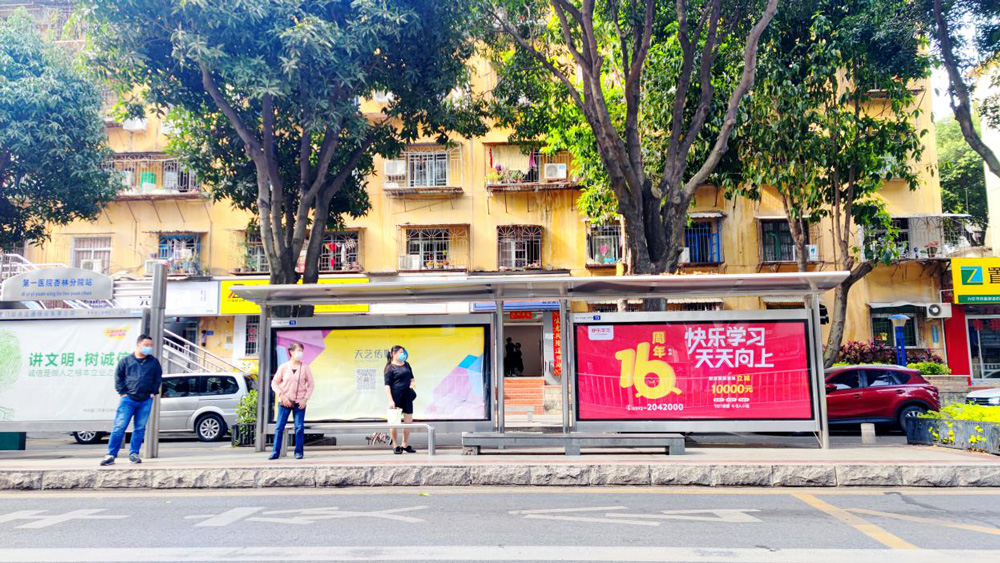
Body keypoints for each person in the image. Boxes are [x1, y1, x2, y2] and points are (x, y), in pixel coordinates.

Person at [100, 334, 162, 466]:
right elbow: (119, 377)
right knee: (119, 427)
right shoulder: (126, 361)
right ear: (138, 345)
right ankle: (111, 454)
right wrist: (122, 392)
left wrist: (153, 392)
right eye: (146, 345)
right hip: (128, 400)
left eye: (150, 345)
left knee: (140, 428)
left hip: (145, 400)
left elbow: (158, 378)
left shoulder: (153, 362)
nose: (149, 347)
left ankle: (134, 454)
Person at [269, 342, 314, 460]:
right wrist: (281, 395)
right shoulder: (283, 367)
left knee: (299, 428)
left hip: (299, 403)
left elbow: (311, 384)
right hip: (284, 402)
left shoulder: (305, 367)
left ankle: (298, 452)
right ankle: (275, 452)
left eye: (301, 351)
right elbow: (274, 383)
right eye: (298, 350)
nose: (300, 353)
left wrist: (305, 399)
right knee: (279, 427)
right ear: (291, 352)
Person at [384, 345, 416, 454]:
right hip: (396, 397)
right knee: (394, 422)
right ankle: (395, 445)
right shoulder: (389, 368)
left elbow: (412, 379)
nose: (403, 354)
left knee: (408, 421)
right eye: (401, 352)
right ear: (394, 353)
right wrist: (390, 400)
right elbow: (387, 385)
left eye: (403, 352)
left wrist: (412, 385)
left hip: (407, 397)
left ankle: (405, 444)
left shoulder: (407, 364)